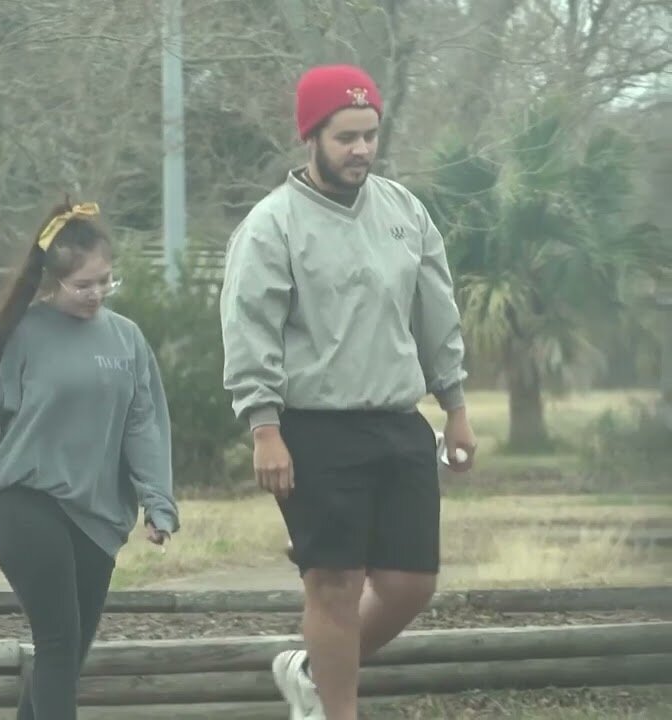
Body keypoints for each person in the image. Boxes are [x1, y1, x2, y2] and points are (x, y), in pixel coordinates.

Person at [218, 64, 478, 720]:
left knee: (410, 584)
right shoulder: (272, 225)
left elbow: (436, 313)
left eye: (370, 135)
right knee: (333, 585)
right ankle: (337, 711)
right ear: (312, 137)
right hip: (313, 427)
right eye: (346, 137)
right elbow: (251, 331)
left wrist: (456, 407)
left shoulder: (403, 211)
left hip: (397, 420)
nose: (362, 150)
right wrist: (264, 427)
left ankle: (309, 669)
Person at [0, 199, 180, 720]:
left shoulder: (127, 340)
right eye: (84, 285)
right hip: (26, 502)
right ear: (54, 280)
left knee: (68, 655)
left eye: (106, 281)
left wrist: (157, 501)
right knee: (58, 641)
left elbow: (144, 424)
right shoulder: (22, 335)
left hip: (98, 518)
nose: (96, 293)